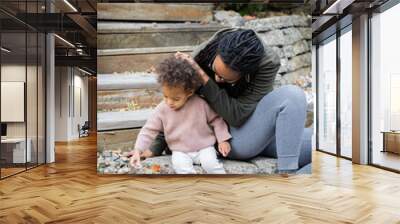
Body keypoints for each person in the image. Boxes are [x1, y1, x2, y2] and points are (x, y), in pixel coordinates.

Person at [142, 28, 312, 173]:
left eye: (225, 78)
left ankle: (297, 180)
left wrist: (205, 80)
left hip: (251, 126)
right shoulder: (204, 54)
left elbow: (239, 114)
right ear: (217, 52)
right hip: (227, 139)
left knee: (329, 146)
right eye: (215, 70)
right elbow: (175, 102)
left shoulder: (266, 63)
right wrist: (155, 147)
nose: (216, 78)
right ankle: (288, 179)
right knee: (293, 94)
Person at [128, 56, 232, 174]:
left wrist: (223, 140)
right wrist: (138, 150)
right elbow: (148, 130)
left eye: (176, 99)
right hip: (180, 151)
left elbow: (216, 120)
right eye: (166, 96)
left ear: (189, 92)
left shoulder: (201, 103)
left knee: (211, 165)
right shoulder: (162, 109)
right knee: (181, 168)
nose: (169, 102)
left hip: (204, 148)